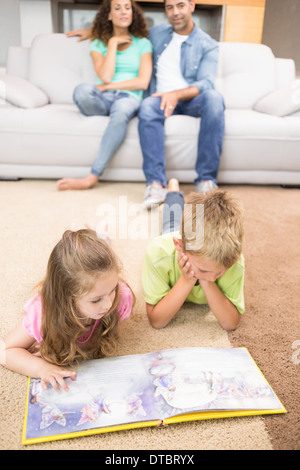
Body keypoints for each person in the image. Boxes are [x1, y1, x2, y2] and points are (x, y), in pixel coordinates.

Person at [1, 229, 134, 391]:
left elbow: (102, 335)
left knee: (94, 252)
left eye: (112, 289)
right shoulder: (43, 314)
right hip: (56, 294)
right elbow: (4, 350)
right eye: (96, 300)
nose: (108, 304)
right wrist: (42, 368)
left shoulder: (120, 298)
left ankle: (98, 234)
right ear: (67, 299)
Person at [57, 0, 152, 191]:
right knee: (82, 90)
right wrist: (112, 44)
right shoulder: (99, 44)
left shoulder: (143, 43)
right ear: (109, 15)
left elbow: (142, 82)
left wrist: (106, 87)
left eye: (127, 8)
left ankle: (92, 176)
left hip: (128, 98)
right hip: (104, 99)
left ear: (133, 13)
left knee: (122, 108)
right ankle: (110, 115)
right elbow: (105, 75)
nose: (124, 12)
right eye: (117, 8)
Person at [139, 0, 225, 209]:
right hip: (159, 98)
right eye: (170, 7)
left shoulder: (208, 44)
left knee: (214, 98)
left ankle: (206, 180)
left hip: (191, 99)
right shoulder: (156, 33)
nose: (175, 12)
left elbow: (205, 83)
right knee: (147, 106)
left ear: (192, 6)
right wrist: (94, 34)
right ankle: (156, 184)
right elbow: (128, 33)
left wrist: (176, 94)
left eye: (180, 6)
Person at [142, 179, 244, 331]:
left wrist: (205, 280)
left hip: (192, 240)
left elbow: (230, 323)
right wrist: (186, 279)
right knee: (172, 219)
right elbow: (157, 321)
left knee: (181, 218)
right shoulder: (158, 253)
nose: (213, 277)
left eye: (221, 272)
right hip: (173, 236)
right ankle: (173, 189)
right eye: (204, 271)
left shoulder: (234, 261)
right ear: (180, 247)